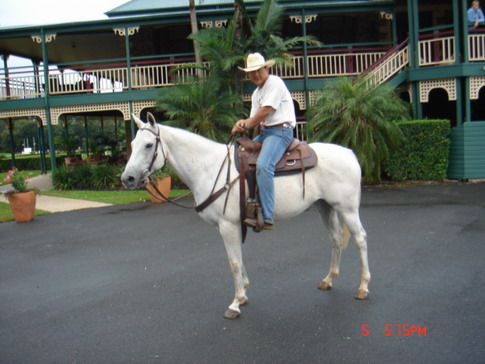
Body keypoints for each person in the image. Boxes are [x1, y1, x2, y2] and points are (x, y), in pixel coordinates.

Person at [232, 52, 296, 231]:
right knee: (240, 155)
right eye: (251, 72)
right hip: (266, 133)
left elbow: (265, 111)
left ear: (266, 68)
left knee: (263, 164)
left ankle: (267, 216)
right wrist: (241, 125)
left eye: (258, 70)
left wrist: (246, 123)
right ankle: (249, 202)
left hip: (281, 132)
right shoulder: (256, 93)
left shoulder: (275, 83)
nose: (255, 75)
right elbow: (253, 118)